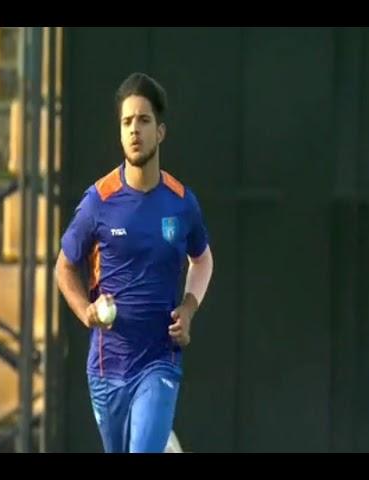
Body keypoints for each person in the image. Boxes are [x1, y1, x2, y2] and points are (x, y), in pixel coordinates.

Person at [55, 72, 214, 453]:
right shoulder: (98, 201)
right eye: (127, 122)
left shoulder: (181, 202)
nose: (134, 130)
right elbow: (64, 266)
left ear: (160, 132)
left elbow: (203, 260)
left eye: (143, 120)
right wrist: (85, 311)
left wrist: (189, 309)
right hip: (107, 366)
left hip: (160, 358)